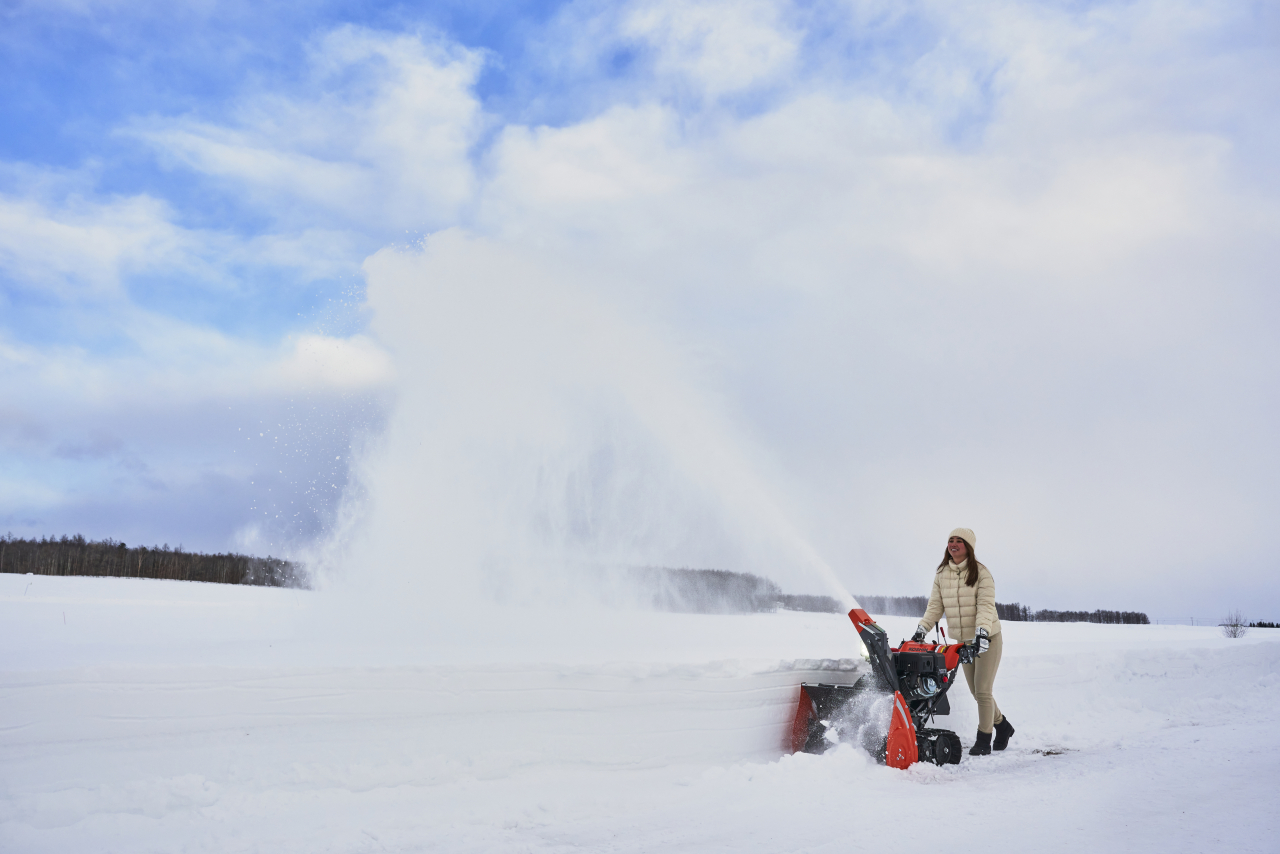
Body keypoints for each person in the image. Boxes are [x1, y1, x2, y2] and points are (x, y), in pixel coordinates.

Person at [911, 528, 1014, 755]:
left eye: (959, 541)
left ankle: (984, 739)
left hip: (988, 638)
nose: (954, 544)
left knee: (983, 691)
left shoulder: (982, 574)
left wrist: (982, 634)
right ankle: (1003, 726)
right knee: (977, 692)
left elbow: (986, 606)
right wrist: (922, 629)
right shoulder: (942, 574)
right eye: (951, 540)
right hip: (964, 643)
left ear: (969, 547)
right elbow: (935, 606)